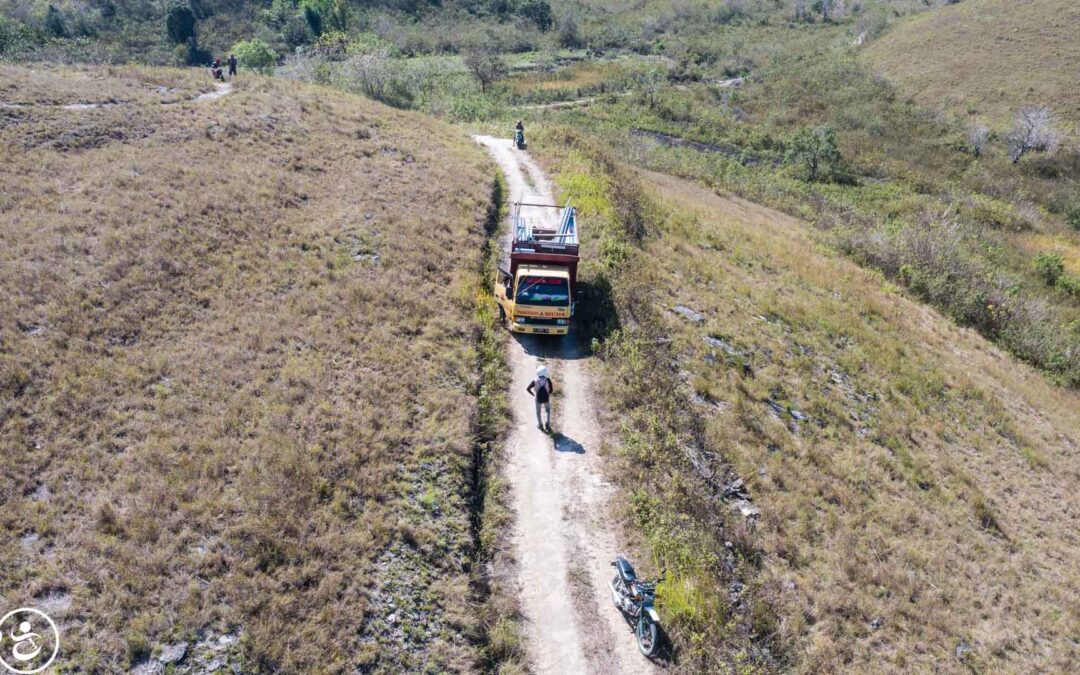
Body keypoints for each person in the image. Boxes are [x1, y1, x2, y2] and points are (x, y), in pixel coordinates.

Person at [527, 365, 554, 432]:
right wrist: (548, 393)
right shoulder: (548, 380)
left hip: (537, 399)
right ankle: (548, 425)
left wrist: (533, 394)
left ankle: (540, 425)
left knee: (538, 412)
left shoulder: (534, 380)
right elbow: (551, 390)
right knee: (548, 411)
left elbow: (528, 389)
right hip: (546, 399)